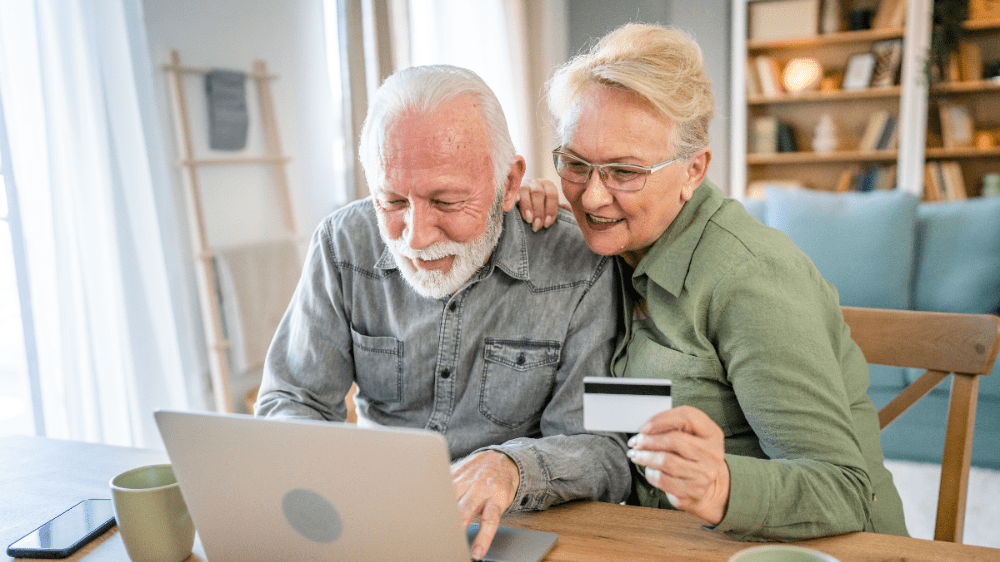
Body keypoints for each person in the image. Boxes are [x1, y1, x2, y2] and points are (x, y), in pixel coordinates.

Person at [518, 23, 908, 541]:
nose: (590, 197)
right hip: (664, 539)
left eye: (624, 172)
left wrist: (720, 485)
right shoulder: (610, 247)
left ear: (693, 170)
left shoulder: (750, 278)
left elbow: (844, 490)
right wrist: (529, 212)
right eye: (575, 163)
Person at [254, 64, 630, 559]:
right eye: (392, 200)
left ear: (510, 182)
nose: (415, 237)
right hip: (376, 522)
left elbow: (606, 450)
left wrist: (512, 468)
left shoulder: (584, 263)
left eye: (447, 201)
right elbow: (291, 400)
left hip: (516, 524)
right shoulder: (341, 244)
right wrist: (329, 477)